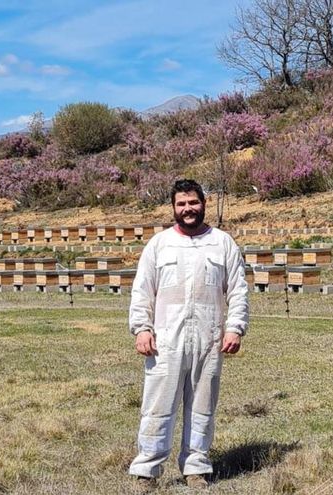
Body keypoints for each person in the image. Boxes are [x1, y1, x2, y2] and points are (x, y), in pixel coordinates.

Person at [128, 179, 249, 489]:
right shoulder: (159, 244)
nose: (188, 209)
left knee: (202, 405)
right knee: (158, 404)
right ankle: (147, 469)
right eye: (181, 204)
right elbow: (142, 291)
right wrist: (141, 328)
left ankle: (196, 466)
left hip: (209, 338)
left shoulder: (222, 243)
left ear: (203, 204)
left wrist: (235, 327)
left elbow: (237, 290)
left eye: (193, 202)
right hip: (165, 339)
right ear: (173, 208)